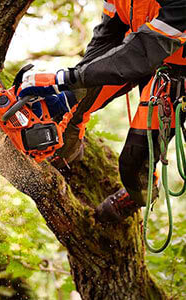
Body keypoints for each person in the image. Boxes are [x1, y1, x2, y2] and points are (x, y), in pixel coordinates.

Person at [17, 0, 186, 223]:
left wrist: (64, 79)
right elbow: (106, 39)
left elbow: (147, 49)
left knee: (132, 165)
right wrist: (72, 84)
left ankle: (141, 192)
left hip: (175, 72)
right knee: (74, 101)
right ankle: (64, 151)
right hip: (135, 51)